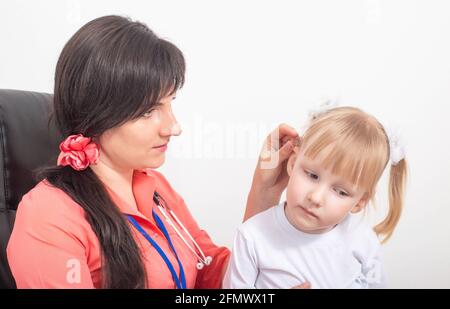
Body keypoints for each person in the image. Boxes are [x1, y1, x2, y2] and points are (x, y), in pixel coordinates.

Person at [6, 15, 300, 289]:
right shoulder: (49, 215)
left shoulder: (157, 188)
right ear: (96, 113)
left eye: (170, 103)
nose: (173, 127)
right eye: (148, 111)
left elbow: (214, 276)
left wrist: (264, 193)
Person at [223, 106, 408, 289]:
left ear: (360, 202)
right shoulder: (251, 237)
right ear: (293, 163)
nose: (316, 197)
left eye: (341, 192)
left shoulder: (363, 241)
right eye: (312, 175)